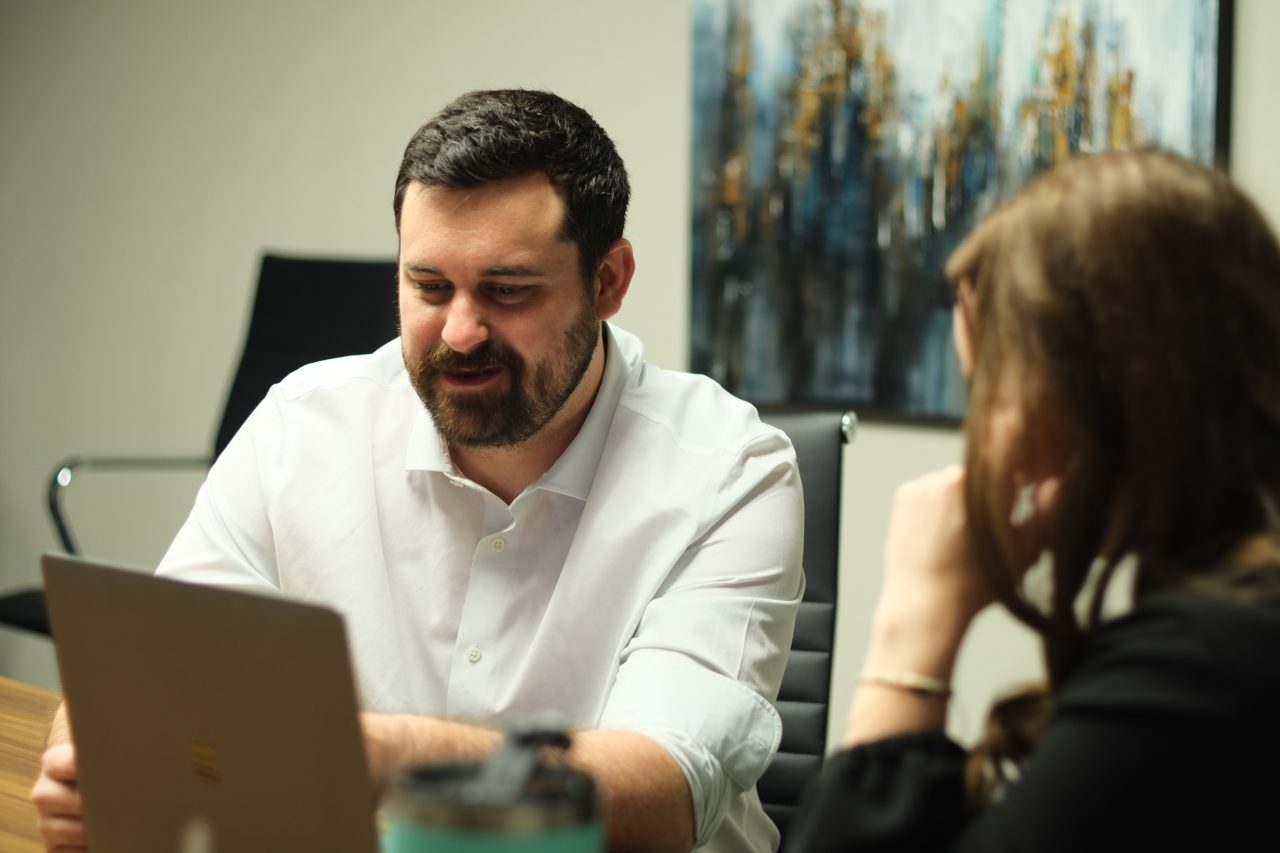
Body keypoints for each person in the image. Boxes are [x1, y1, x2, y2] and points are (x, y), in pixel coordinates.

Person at [32, 89, 804, 853]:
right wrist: (96, 759)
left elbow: (662, 787)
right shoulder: (303, 424)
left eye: (507, 291)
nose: (460, 332)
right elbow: (152, 676)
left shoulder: (731, 472)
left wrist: (375, 755)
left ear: (608, 282)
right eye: (429, 287)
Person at [788, 148, 1280, 852]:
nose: (982, 431)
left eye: (990, 385)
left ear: (1106, 385)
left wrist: (913, 627)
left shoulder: (1205, 665)